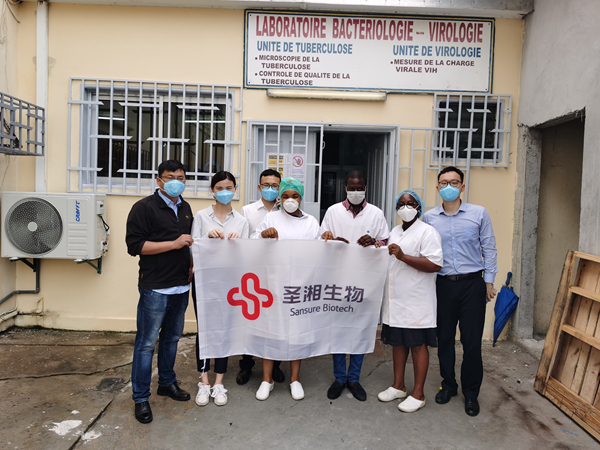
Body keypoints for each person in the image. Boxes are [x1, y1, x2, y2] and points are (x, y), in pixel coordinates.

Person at [423, 166, 498, 417]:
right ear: (437, 188)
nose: (449, 186)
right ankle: (448, 385)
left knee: (471, 341)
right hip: (442, 284)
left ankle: (471, 393)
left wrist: (489, 281)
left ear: (462, 187)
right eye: (444, 182)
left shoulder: (479, 213)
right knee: (444, 338)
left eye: (454, 182)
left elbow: (489, 247)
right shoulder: (429, 218)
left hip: (472, 285)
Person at [125, 159, 194, 424]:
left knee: (172, 338)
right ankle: (141, 397)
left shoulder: (185, 207)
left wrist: (190, 264)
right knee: (146, 344)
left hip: (181, 285)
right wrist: (173, 244)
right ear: (159, 181)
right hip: (155, 287)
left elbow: (188, 243)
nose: (176, 182)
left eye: (181, 177)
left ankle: (166, 382)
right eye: (170, 177)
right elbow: (135, 246)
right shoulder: (144, 208)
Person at [320, 170, 390, 402]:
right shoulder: (333, 212)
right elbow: (321, 240)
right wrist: (332, 240)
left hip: (365, 282)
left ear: (365, 188)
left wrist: (374, 241)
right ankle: (340, 378)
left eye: (360, 188)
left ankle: (354, 378)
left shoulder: (376, 213)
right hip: (338, 280)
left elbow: (386, 242)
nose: (356, 192)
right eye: (352, 188)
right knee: (338, 330)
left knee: (360, 329)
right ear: (345, 188)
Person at [251, 177, 321, 401]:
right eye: (285, 196)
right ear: (280, 198)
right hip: (273, 285)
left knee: (296, 333)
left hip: (300, 287)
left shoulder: (311, 222)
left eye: (295, 196)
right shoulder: (271, 218)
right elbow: (251, 244)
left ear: (301, 198)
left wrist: (328, 239)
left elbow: (320, 251)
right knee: (271, 331)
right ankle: (267, 379)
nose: (290, 200)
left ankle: (295, 379)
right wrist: (263, 235)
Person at [377, 190, 443, 413]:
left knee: (417, 345)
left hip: (416, 300)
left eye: (410, 204)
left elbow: (435, 264)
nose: (405, 208)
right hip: (396, 298)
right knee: (398, 343)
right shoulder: (395, 231)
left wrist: (403, 256)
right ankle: (398, 386)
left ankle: (418, 393)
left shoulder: (427, 232)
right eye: (401, 204)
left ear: (419, 208)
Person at [191, 171, 249, 407]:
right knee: (205, 328)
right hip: (204, 280)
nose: (224, 192)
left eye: (229, 188)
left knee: (224, 328)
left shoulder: (242, 221)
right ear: (212, 191)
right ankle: (204, 381)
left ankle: (218, 382)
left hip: (229, 282)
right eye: (219, 188)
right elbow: (192, 247)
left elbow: (247, 256)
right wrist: (207, 237)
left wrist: (239, 244)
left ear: (235, 189)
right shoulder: (201, 216)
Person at [236, 168, 285, 386]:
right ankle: (246, 364)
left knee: (276, 322)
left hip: (278, 273)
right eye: (266, 185)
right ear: (259, 187)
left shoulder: (287, 210)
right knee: (251, 320)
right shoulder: (247, 211)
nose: (270, 189)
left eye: (275, 186)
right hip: (254, 275)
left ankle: (276, 365)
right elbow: (243, 242)